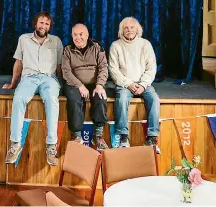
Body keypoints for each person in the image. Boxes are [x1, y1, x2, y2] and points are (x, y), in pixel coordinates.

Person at [3, 12, 63, 166]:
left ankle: (51, 147)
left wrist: (64, 85)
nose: (44, 26)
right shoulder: (24, 39)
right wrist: (12, 84)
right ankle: (15, 144)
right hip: (28, 78)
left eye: (47, 24)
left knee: (51, 99)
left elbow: (59, 66)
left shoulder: (56, 41)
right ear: (35, 24)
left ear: (50, 27)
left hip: (49, 78)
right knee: (19, 99)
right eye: (41, 23)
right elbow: (18, 63)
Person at [109, 17, 161, 152]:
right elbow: (113, 70)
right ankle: (123, 137)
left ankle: (152, 138)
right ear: (121, 31)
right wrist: (129, 84)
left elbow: (151, 68)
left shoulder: (145, 44)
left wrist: (143, 85)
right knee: (121, 100)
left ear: (137, 29)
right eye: (125, 28)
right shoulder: (116, 45)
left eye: (132, 27)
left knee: (154, 99)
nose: (129, 30)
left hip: (144, 83)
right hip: (125, 84)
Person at [62, 23, 109, 150]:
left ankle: (98, 135)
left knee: (100, 97)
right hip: (74, 83)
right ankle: (76, 136)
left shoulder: (97, 47)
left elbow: (104, 67)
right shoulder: (67, 50)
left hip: (94, 82)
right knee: (73, 98)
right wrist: (80, 85)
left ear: (87, 35)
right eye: (75, 35)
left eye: (81, 34)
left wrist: (99, 85)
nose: (78, 37)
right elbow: (66, 72)